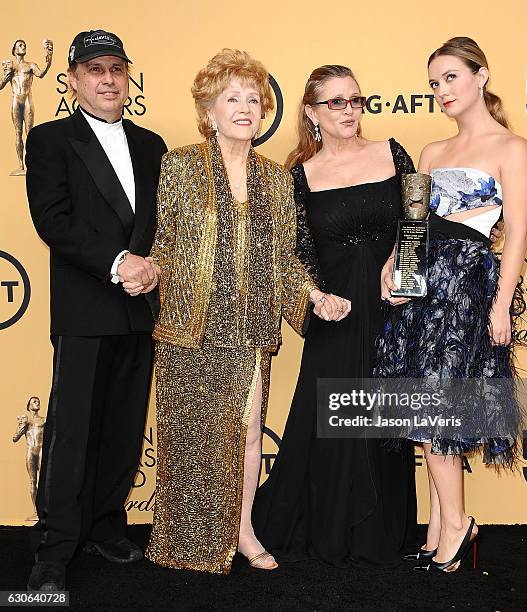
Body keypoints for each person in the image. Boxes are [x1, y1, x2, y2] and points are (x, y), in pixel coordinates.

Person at [142, 49, 346, 575]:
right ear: (209, 112)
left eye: (253, 100)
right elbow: (164, 243)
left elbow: (284, 258)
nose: (244, 108)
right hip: (190, 329)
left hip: (250, 328)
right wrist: (148, 270)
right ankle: (182, 542)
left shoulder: (277, 180)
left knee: (251, 432)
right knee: (189, 438)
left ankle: (244, 530)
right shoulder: (180, 165)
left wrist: (315, 296)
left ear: (263, 114)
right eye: (231, 98)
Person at [376, 37, 527, 573]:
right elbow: (414, 227)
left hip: (466, 292)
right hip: (421, 291)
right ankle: (445, 527)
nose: (441, 91)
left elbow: (514, 235)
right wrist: (391, 267)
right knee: (424, 408)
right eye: (434, 83)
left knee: (440, 408)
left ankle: (456, 526)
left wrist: (501, 305)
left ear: (481, 76)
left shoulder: (512, 150)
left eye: (449, 78)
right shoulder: (431, 154)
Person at [252, 65, 419, 567]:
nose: (349, 111)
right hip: (336, 311)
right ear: (311, 112)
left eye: (356, 100)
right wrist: (316, 298)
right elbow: (295, 255)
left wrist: (404, 273)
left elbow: (417, 217)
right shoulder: (297, 177)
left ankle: (383, 533)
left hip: (392, 305)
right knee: (329, 417)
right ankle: (325, 528)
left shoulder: (392, 152)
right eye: (336, 103)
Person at [25, 30, 167, 591]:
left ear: (127, 75)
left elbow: (165, 220)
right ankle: (55, 545)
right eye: (94, 70)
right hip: (87, 305)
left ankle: (108, 526)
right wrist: (119, 262)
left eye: (116, 68)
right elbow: (53, 220)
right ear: (73, 80)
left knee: (125, 427)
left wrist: (153, 264)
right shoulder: (50, 140)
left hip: (142, 307)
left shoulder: (153, 144)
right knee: (72, 429)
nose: (108, 79)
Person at [1, 39, 53, 175]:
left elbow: (41, 74)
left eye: (24, 45)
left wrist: (49, 59)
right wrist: (5, 78)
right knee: (18, 133)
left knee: (30, 133)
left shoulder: (30, 65)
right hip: (16, 101)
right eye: (20, 45)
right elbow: (0, 85)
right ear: (14, 50)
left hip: (27, 100)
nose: (23, 47)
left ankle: (32, 164)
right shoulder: (10, 67)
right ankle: (21, 165)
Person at [12, 397, 45, 520]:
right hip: (30, 450)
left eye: (38, 401)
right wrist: (21, 426)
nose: (37, 403)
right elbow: (15, 438)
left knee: (44, 480)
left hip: (41, 449)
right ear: (29, 406)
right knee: (32, 481)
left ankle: (45, 509)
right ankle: (36, 511)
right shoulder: (25, 421)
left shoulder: (44, 420)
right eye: (34, 401)